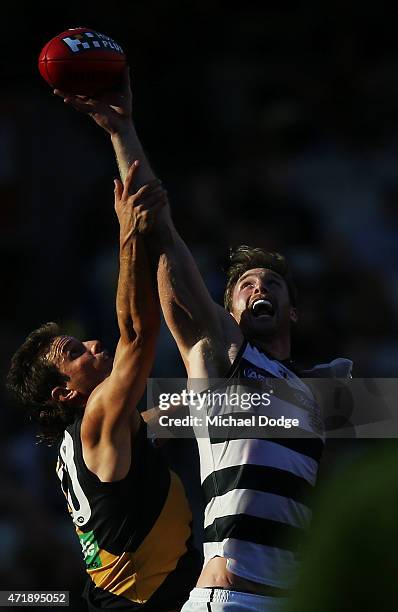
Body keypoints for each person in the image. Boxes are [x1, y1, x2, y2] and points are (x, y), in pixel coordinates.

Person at [53, 70, 352, 611]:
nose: (258, 285)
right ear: (229, 313)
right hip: (230, 601)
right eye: (244, 285)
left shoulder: (321, 390)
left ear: (294, 311)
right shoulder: (224, 356)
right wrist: (122, 133)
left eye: (273, 282)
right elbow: (163, 233)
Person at [7, 163, 201, 611]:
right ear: (65, 393)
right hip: (143, 603)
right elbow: (137, 332)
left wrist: (289, 397)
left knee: (27, 600)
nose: (95, 344)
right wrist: (129, 233)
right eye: (77, 352)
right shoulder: (96, 418)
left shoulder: (100, 433)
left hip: (114, 597)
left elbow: (172, 415)